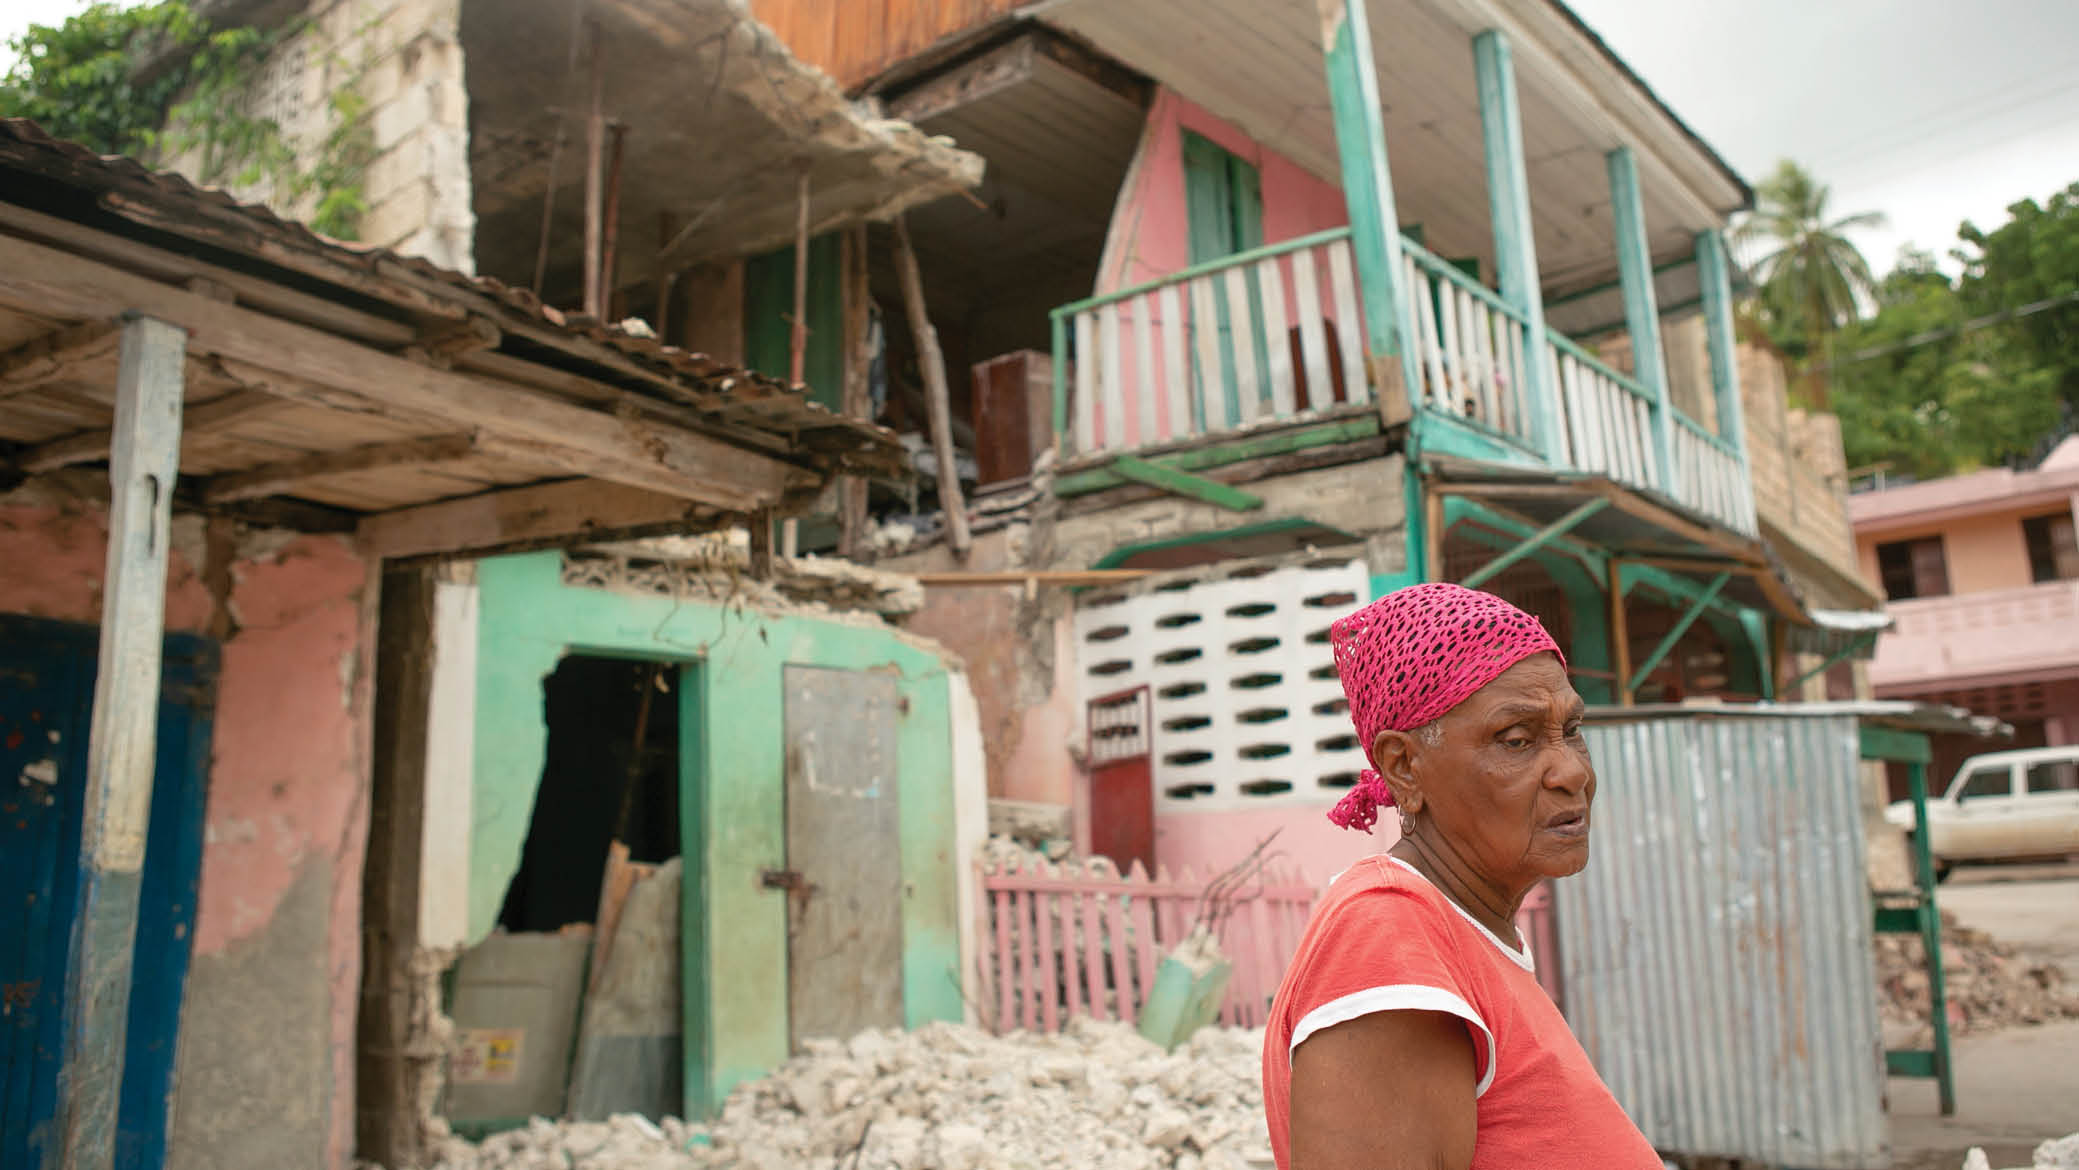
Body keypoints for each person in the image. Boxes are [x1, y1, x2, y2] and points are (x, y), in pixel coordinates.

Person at [1261, 583, 1661, 1170]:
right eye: (1518, 741)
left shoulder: (1466, 936)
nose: (1572, 771)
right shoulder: (1387, 938)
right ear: (1404, 767)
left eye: (1571, 730)